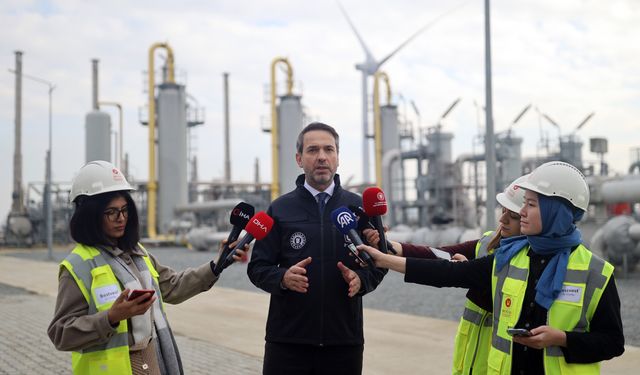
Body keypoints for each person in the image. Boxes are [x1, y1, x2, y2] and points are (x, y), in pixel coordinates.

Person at [359, 161, 624, 374]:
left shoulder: (595, 273)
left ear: (556, 212)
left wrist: (561, 339)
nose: (522, 214)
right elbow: (447, 271)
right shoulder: (510, 258)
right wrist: (384, 257)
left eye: (530, 205)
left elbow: (612, 342)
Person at [48, 160, 248, 375]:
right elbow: (61, 333)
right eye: (111, 212)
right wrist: (111, 317)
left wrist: (216, 265)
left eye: (125, 210)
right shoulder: (78, 266)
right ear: (90, 215)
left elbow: (172, 286)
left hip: (153, 361)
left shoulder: (137, 253)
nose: (121, 218)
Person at [247, 122, 387, 375]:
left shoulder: (359, 209)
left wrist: (362, 280)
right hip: (287, 343)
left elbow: (380, 263)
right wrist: (282, 278)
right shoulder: (279, 209)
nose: (321, 157)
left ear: (337, 157)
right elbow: (257, 267)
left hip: (343, 342)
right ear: (299, 159)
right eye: (313, 150)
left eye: (328, 150)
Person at [363, 174, 528, 375]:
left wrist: (383, 259)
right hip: (475, 361)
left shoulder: (528, 258)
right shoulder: (489, 243)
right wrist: (388, 246)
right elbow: (438, 254)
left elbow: (448, 273)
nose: (502, 219)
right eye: (503, 211)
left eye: (514, 216)